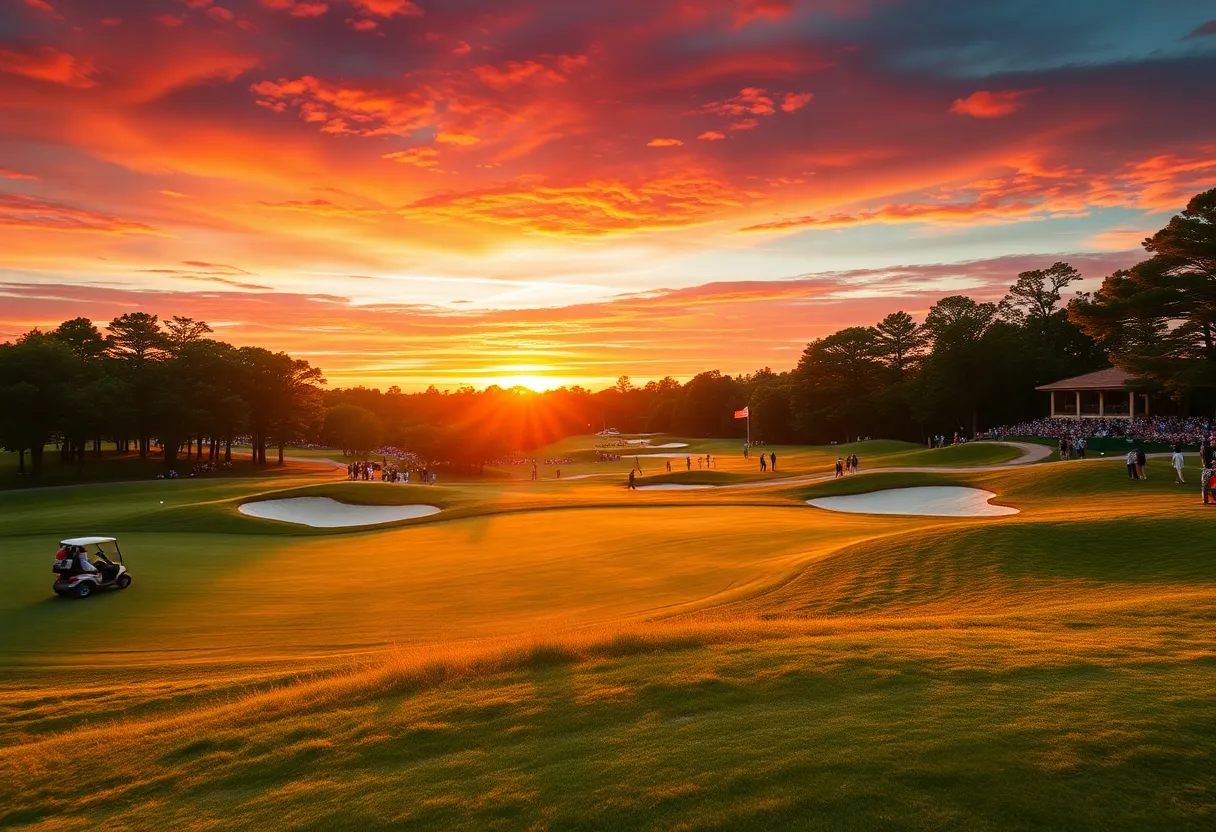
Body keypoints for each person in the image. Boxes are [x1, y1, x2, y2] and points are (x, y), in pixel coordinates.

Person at [1201, 438, 1215, 505]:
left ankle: (1207, 499)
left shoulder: (1207, 449)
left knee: (1206, 485)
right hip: (1209, 469)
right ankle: (1207, 499)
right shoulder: (1208, 449)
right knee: (1207, 485)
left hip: (1209, 469)